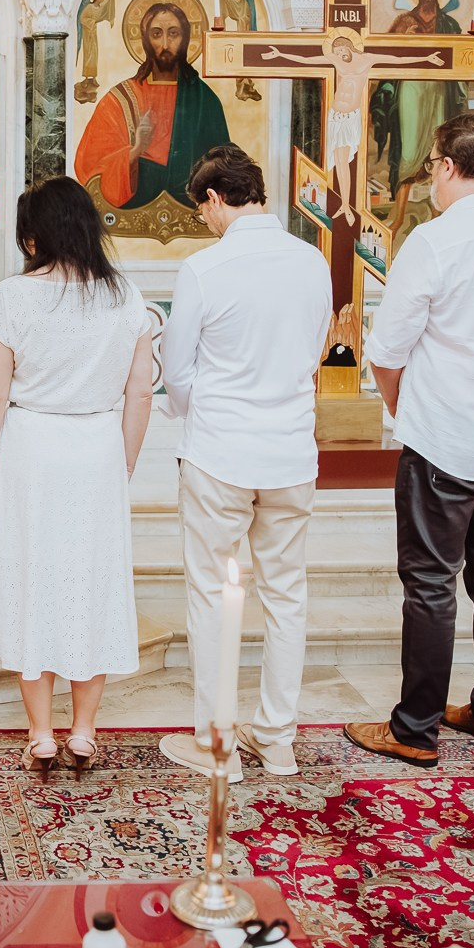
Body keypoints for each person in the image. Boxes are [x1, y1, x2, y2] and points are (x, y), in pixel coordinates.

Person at [345, 114, 474, 767]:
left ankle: (414, 727)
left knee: (432, 581)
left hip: (446, 443)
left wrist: (405, 410)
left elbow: (384, 349)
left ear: (444, 167)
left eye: (432, 165)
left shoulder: (434, 243)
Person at [155, 145, 332, 781]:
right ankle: (277, 737)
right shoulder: (312, 262)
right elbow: (315, 349)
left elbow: (176, 372)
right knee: (287, 595)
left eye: (200, 209)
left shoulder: (205, 269)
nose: (203, 221)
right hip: (290, 451)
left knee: (211, 594)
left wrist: (200, 411)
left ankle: (216, 743)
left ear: (213, 198)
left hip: (221, 453)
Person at [0, 176, 154, 770]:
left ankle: (41, 735)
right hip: (97, 446)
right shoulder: (125, 296)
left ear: (35, 238)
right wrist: (122, 458)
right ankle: (82, 731)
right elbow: (140, 393)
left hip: (31, 450)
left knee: (33, 581)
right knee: (92, 583)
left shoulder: (16, 296)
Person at [73, 1, 231, 210]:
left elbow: (222, 159)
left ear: (185, 39)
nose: (165, 44)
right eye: (157, 34)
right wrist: (136, 150)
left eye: (173, 34)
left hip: (192, 208)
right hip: (132, 208)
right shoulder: (120, 98)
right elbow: (89, 165)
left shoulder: (204, 99)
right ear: (145, 40)